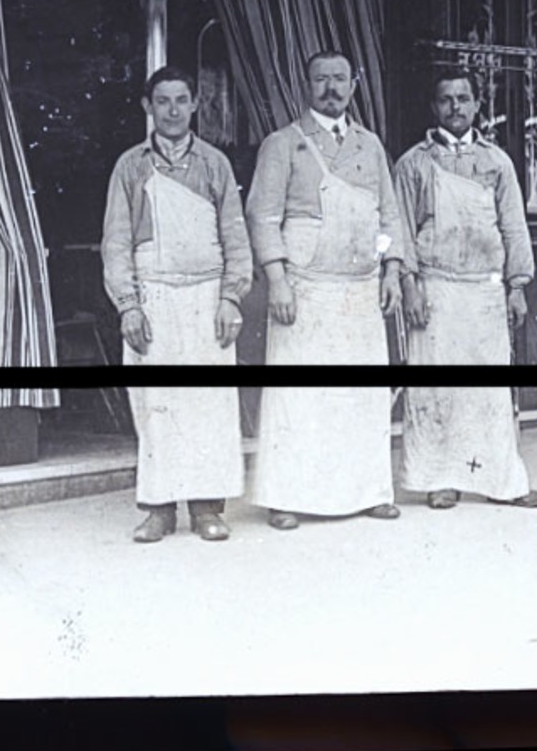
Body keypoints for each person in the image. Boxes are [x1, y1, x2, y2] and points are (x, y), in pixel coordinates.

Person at [245, 51, 406, 531]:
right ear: (306, 85)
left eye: (339, 79)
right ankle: (286, 496)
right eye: (321, 79)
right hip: (305, 291)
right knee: (300, 397)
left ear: (353, 85)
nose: (330, 88)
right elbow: (262, 216)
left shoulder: (370, 146)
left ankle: (369, 491)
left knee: (360, 396)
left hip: (359, 291)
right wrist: (277, 280)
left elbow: (389, 215)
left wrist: (392, 271)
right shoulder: (283, 145)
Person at [101, 66, 254, 544]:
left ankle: (207, 508)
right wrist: (128, 304)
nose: (171, 110)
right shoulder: (131, 166)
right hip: (155, 299)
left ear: (194, 105)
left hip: (207, 299)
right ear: (148, 107)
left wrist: (231, 297)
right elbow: (116, 241)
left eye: (180, 100)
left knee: (209, 404)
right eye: (162, 101)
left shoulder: (215, 165)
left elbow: (235, 235)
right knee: (157, 404)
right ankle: (159, 510)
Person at [393, 69, 537, 510]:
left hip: (484, 291)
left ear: (477, 105)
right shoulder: (413, 164)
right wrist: (410, 287)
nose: (456, 107)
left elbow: (514, 228)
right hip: (436, 290)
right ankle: (439, 479)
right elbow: (401, 229)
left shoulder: (497, 162)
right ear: (433, 107)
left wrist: (516, 286)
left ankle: (503, 482)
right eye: (446, 100)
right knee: (436, 387)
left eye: (464, 98)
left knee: (489, 390)